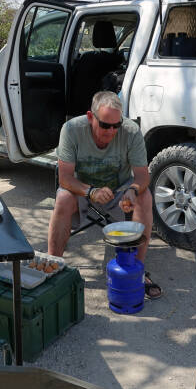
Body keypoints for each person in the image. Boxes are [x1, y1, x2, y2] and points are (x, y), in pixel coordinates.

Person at [48, 90, 161, 299]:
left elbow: (142, 176)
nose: (111, 132)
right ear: (91, 117)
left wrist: (132, 190)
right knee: (63, 197)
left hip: (119, 191)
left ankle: (136, 271)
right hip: (83, 190)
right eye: (105, 125)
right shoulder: (72, 129)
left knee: (145, 197)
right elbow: (64, 178)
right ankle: (52, 266)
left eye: (116, 126)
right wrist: (91, 191)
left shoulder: (131, 131)